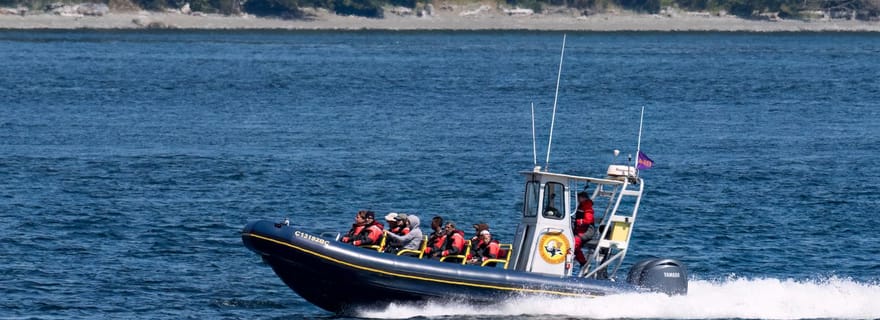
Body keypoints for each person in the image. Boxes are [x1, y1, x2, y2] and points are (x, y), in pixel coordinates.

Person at [572, 190, 596, 266]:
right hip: (580, 230)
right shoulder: (582, 205)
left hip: (587, 231)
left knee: (575, 243)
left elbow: (588, 220)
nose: (577, 199)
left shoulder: (587, 206)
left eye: (579, 198)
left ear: (583, 198)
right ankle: (581, 261)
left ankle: (583, 262)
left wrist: (579, 221)